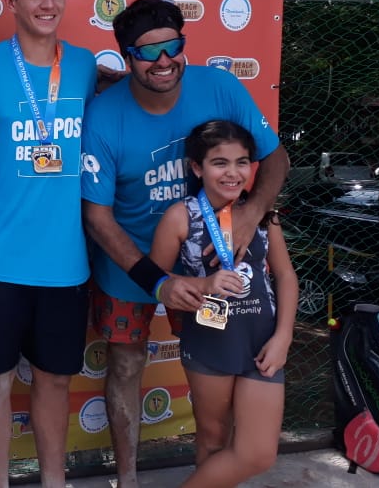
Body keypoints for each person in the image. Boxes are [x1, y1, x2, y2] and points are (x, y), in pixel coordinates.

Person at [80, 0, 289, 488]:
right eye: (146, 52)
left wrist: (250, 214)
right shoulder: (103, 116)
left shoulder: (220, 86)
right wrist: (157, 282)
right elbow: (97, 216)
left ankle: (213, 476)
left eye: (172, 46)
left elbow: (276, 158)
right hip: (132, 264)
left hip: (211, 263)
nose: (163, 60)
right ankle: (128, 480)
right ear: (127, 57)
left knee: (224, 378)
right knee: (126, 364)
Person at [0, 0, 97, 488]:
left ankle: (53, 482)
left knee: (55, 383)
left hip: (64, 261)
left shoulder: (85, 66)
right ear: (11, 2)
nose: (48, 3)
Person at [148, 120, 297, 488]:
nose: (233, 173)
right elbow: (154, 280)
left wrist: (284, 337)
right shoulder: (181, 216)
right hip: (209, 342)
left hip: (262, 344)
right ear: (197, 168)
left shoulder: (262, 213)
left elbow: (285, 276)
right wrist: (203, 284)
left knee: (258, 453)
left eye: (241, 162)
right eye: (220, 163)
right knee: (213, 441)